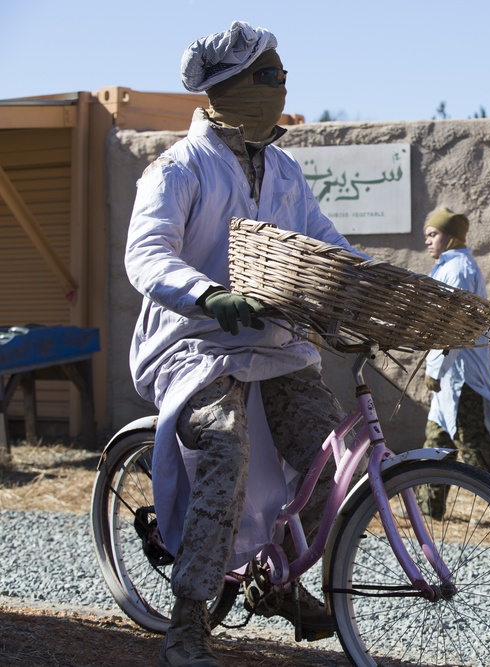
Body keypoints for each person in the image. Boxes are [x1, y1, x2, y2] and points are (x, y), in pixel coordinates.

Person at [125, 21, 366, 667]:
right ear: (228, 85)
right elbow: (147, 254)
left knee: (332, 455)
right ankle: (188, 619)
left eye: (282, 75)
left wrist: (369, 285)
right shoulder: (179, 167)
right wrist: (206, 295)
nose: (281, 84)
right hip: (195, 343)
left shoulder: (285, 168)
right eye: (269, 75)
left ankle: (278, 577)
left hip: (276, 343)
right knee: (227, 453)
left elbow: (326, 244)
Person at [420, 207, 490, 515]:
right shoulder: (447, 267)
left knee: (473, 447)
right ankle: (429, 509)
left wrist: (435, 367)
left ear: (452, 236)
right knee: (436, 439)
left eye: (433, 235)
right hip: (449, 375)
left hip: (461, 376)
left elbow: (452, 326)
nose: (428, 242)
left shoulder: (458, 270)